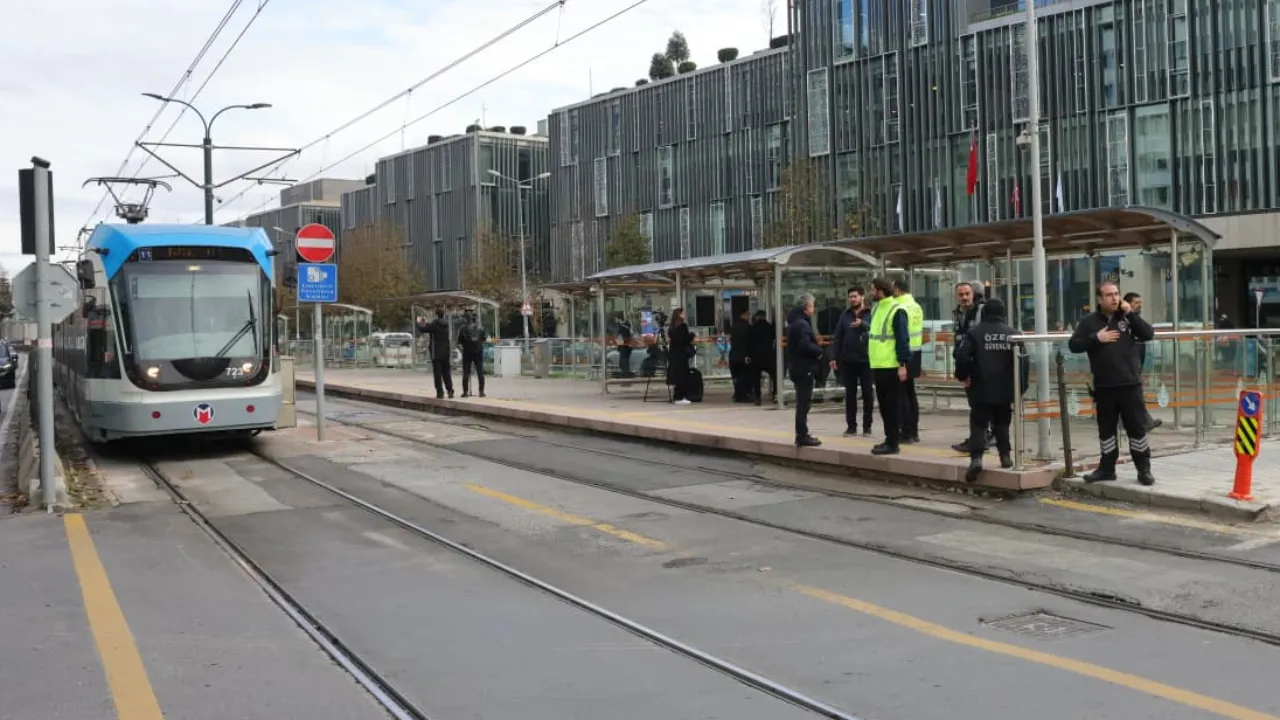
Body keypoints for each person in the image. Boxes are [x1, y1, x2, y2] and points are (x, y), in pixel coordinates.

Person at [1069, 282, 1156, 485]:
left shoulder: (1128, 318)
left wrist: (1131, 314)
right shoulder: (1089, 321)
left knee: (1137, 429)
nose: (1115, 298)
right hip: (1105, 386)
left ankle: (1144, 469)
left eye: (1117, 294)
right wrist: (1096, 338)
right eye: (1109, 295)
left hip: (1130, 384)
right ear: (1100, 299)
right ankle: (1107, 469)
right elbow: (1074, 345)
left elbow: (1148, 334)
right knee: (1106, 430)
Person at [954, 298, 1027, 482]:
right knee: (1002, 422)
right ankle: (1005, 456)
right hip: (1005, 388)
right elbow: (1024, 362)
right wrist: (1020, 387)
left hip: (980, 387)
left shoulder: (974, 333)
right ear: (1003, 313)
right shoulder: (1013, 334)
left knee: (979, 423)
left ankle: (977, 459)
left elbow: (962, 357)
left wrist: (963, 376)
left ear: (985, 312)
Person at [867, 277, 911, 455]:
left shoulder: (897, 310)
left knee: (891, 406)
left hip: (891, 365)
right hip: (878, 364)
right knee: (885, 406)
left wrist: (902, 364)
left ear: (880, 291)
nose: (871, 293)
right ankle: (889, 439)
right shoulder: (878, 308)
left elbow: (902, 339)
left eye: (872, 290)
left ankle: (893, 443)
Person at [951, 281, 992, 453]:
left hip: (980, 365)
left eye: (967, 294)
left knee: (979, 405)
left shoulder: (980, 311)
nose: (964, 298)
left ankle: (980, 440)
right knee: (976, 404)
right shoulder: (959, 314)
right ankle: (984, 437)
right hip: (966, 363)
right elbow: (958, 338)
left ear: (973, 294)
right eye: (961, 295)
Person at [830, 285, 874, 436]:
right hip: (848, 360)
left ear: (862, 297)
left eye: (855, 296)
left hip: (866, 360)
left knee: (868, 394)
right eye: (850, 297)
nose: (852, 299)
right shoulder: (845, 315)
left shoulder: (870, 313)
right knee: (850, 395)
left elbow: (876, 330)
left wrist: (862, 324)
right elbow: (838, 337)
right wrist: (834, 356)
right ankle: (851, 427)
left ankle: (867, 427)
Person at [787, 294, 824, 447]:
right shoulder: (802, 325)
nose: (813, 309)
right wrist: (819, 351)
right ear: (807, 308)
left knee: (803, 402)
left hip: (796, 367)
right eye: (812, 306)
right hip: (803, 368)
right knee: (803, 403)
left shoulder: (794, 322)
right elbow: (804, 345)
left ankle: (802, 433)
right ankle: (802, 435)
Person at [1122, 292, 1161, 431]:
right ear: (1127, 303)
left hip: (1137, 361)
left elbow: (1148, 333)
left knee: (1134, 392)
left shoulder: (1136, 319)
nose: (1140, 305)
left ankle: (1142, 420)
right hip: (1127, 363)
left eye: (1140, 302)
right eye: (1136, 302)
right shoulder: (1123, 320)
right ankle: (1144, 421)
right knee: (1133, 393)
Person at [891, 278, 924, 443]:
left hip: (903, 354)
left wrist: (900, 361)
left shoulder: (899, 307)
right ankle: (914, 430)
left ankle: (905, 432)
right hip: (916, 352)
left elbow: (900, 335)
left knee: (901, 395)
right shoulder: (916, 305)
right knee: (910, 393)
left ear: (896, 290)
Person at [416, 309, 454, 399]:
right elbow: (432, 327)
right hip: (446, 352)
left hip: (436, 353)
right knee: (446, 373)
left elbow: (423, 329)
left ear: (436, 315)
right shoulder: (446, 324)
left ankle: (440, 393)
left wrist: (418, 323)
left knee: (437, 374)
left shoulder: (435, 324)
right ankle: (450, 390)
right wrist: (426, 322)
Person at [456, 309, 487, 398]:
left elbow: (459, 342)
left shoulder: (462, 328)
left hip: (467, 352)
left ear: (465, 319)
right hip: (478, 351)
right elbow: (484, 339)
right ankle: (481, 392)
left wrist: (463, 348)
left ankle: (465, 392)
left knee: (466, 372)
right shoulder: (480, 327)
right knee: (480, 372)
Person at [666, 308, 694, 405]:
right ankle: (680, 396)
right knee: (683, 375)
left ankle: (677, 396)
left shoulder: (672, 327)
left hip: (674, 353)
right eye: (683, 313)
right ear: (679, 315)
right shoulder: (682, 326)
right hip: (681, 354)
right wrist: (691, 336)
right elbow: (684, 340)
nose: (684, 314)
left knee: (677, 375)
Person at [748, 310, 776, 406]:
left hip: (756, 357)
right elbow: (773, 338)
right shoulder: (770, 327)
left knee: (756, 378)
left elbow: (749, 343)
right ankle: (776, 394)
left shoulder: (752, 328)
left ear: (757, 317)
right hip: (768, 355)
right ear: (764, 316)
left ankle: (758, 398)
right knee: (774, 376)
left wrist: (749, 355)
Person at [728, 308, 754, 402]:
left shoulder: (733, 327)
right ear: (745, 315)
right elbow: (749, 343)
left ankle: (737, 394)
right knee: (745, 376)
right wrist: (748, 355)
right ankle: (744, 395)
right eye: (748, 315)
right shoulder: (748, 327)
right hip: (744, 356)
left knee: (736, 377)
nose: (749, 317)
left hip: (733, 355)